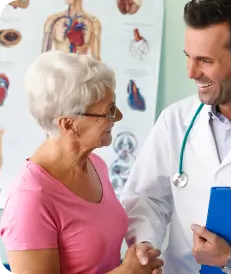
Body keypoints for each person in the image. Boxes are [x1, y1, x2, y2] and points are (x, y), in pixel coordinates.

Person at [120, 0, 231, 273]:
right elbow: (146, 199)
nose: (191, 72)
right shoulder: (174, 121)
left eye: (205, 60)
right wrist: (145, 244)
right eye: (188, 56)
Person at [0, 50, 163, 274]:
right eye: (109, 111)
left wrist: (139, 256)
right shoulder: (29, 199)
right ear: (68, 125)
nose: (119, 117)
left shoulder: (96, 164)